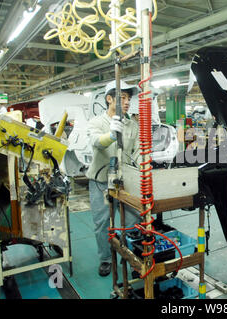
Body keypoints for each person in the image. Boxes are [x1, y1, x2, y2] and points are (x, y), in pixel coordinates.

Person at [86, 80, 141, 276]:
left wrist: (144, 165)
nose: (127, 102)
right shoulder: (96, 122)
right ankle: (106, 258)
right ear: (109, 99)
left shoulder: (132, 124)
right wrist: (111, 134)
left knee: (135, 219)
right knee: (102, 222)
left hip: (125, 181)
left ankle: (127, 253)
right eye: (122, 98)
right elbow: (96, 142)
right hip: (101, 182)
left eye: (129, 98)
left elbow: (136, 152)